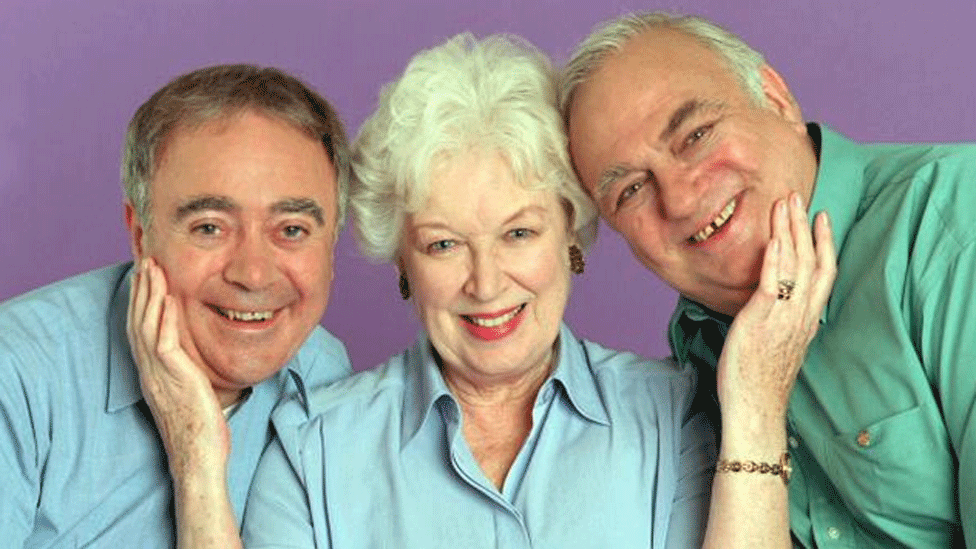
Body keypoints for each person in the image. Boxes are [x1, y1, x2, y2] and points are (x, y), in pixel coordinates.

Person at [235, 33, 834, 549]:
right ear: (402, 260)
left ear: (570, 233)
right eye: (443, 244)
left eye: (519, 233)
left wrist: (756, 402)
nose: (488, 282)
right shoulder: (310, 446)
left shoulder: (677, 415)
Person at [561, 12, 976, 548]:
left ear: (776, 98)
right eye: (631, 191)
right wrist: (754, 403)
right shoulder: (699, 345)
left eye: (695, 136)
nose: (682, 200)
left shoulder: (954, 225)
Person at [0, 64, 353, 548]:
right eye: (209, 227)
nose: (253, 274)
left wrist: (197, 461)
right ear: (141, 234)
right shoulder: (16, 375)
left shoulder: (322, 378)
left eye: (291, 229)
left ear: (332, 244)